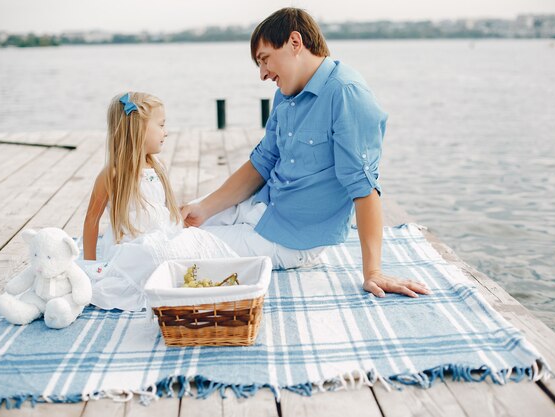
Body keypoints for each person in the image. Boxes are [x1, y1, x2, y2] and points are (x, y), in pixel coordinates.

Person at [181, 8, 430, 299]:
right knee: (174, 223)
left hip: (290, 239)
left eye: (264, 59)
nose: (262, 74)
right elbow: (262, 163)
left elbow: (364, 189)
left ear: (294, 43)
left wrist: (373, 272)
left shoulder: (347, 93)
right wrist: (207, 208)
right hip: (260, 209)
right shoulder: (284, 94)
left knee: (175, 250)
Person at [80, 92, 237, 311]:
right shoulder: (113, 174)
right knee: (149, 254)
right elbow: (91, 220)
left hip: (162, 238)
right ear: (138, 129)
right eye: (161, 125)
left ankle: (220, 275)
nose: (166, 132)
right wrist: (90, 264)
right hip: (133, 248)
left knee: (200, 240)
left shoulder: (157, 167)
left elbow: (161, 210)